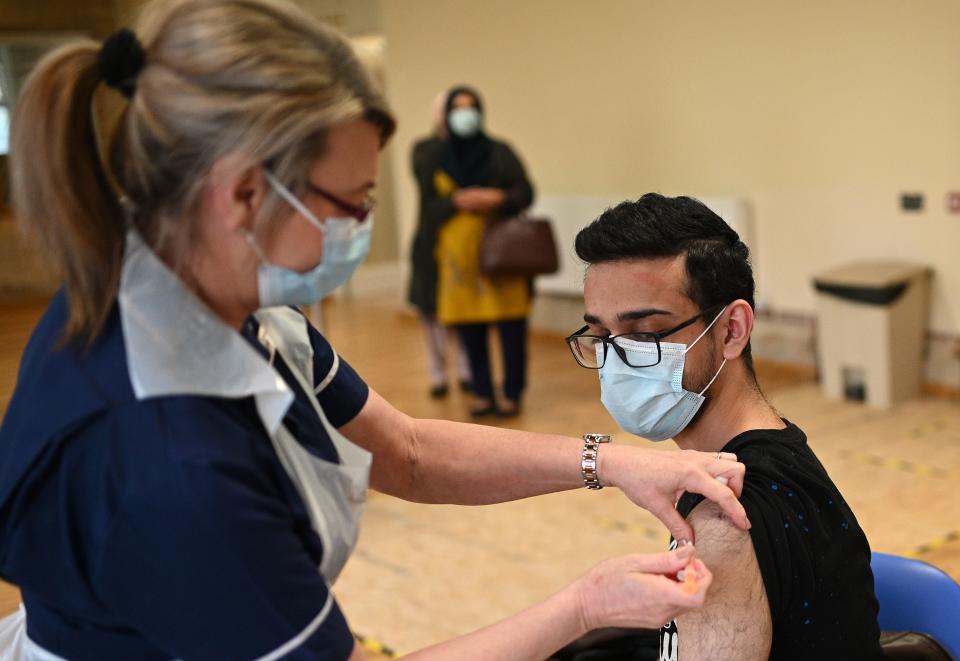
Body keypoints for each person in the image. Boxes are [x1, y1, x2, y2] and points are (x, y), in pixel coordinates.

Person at [0, 3, 751, 659]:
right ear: (243, 193)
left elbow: (409, 453)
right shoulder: (167, 459)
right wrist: (582, 606)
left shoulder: (229, 305)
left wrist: (612, 462)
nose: (362, 228)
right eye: (352, 202)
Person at [567, 194, 883, 660]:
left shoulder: (727, 518)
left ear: (732, 329)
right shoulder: (756, 454)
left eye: (645, 333)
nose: (618, 359)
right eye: (601, 336)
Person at [430, 85, 534, 417]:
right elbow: (427, 207)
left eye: (471, 107)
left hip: (500, 252)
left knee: (511, 328)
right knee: (470, 328)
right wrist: (455, 201)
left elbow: (526, 192)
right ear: (447, 115)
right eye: (457, 108)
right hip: (459, 258)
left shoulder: (500, 151)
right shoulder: (435, 157)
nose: (465, 114)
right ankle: (482, 392)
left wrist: (497, 198)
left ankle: (512, 392)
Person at [407, 91, 472, 399]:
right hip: (430, 244)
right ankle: (437, 374)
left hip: (464, 248)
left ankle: (465, 370)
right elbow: (427, 188)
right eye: (455, 110)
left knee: (461, 314)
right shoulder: (425, 149)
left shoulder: (479, 149)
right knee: (430, 312)